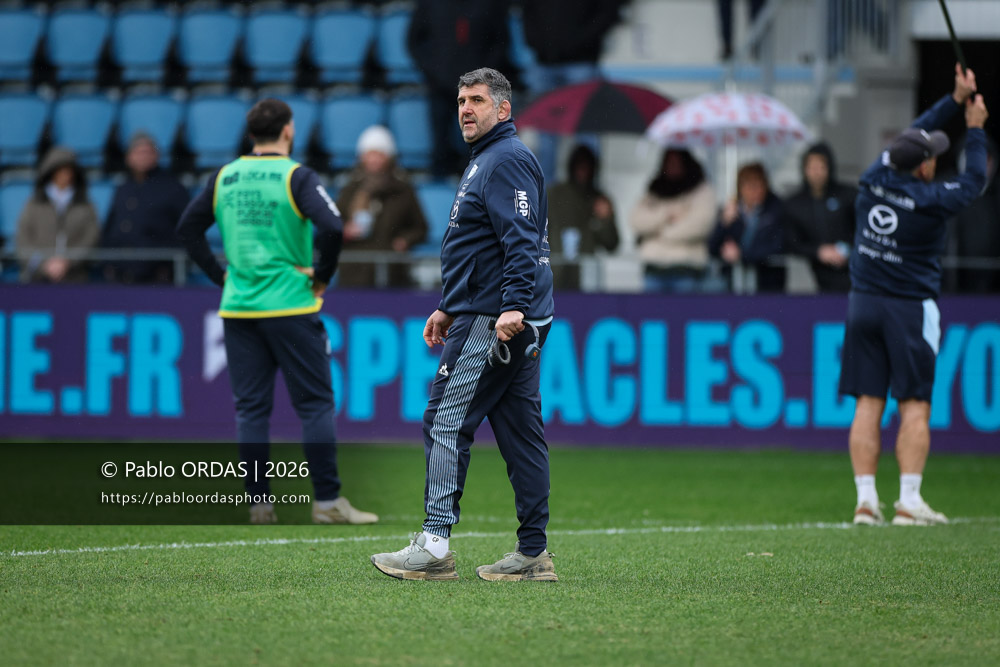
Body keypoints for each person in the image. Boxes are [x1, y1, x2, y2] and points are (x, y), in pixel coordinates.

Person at [371, 68, 557, 582]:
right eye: (459, 100)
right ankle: (533, 554)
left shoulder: (505, 160)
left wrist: (512, 306)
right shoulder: (491, 159)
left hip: (495, 318)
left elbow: (521, 239)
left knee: (445, 420)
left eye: (476, 100)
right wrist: (450, 304)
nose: (465, 109)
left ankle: (433, 547)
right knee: (521, 432)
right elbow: (484, 245)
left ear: (504, 109)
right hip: (483, 309)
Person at [176, 99, 377, 526]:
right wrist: (322, 275)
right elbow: (334, 226)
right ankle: (326, 502)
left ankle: (259, 505)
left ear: (252, 135)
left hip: (239, 308)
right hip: (290, 304)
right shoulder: (295, 176)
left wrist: (220, 276)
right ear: (288, 131)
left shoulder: (225, 176)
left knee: (250, 410)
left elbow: (187, 229)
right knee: (316, 404)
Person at [841, 64, 987, 526]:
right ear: (923, 165)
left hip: (862, 304)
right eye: (932, 158)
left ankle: (866, 501)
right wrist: (975, 129)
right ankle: (908, 499)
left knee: (868, 401)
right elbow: (974, 181)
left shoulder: (873, 178)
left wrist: (953, 97)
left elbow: (912, 134)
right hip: (908, 310)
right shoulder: (931, 200)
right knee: (914, 404)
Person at [521, 0, 626, 181]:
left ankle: (587, 197)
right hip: (544, 62)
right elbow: (527, 11)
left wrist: (581, 40)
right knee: (545, 140)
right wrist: (536, 41)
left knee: (587, 134)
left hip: (582, 62)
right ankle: (546, 201)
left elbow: (609, 11)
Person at [407, 0, 512, 179]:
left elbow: (501, 41)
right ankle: (439, 195)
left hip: (478, 89)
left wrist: (484, 76)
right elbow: (414, 41)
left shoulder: (489, 5)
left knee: (476, 147)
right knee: (440, 147)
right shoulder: (431, 4)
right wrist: (433, 71)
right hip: (439, 86)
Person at [336, 125, 428, 288]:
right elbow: (332, 226)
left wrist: (404, 241)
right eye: (369, 154)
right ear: (361, 157)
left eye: (379, 154)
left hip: (392, 272)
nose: (374, 160)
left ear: (389, 157)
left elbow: (421, 228)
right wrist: (346, 231)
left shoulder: (403, 190)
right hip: (353, 273)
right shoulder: (349, 189)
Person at [101, 133, 190, 284]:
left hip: (157, 277)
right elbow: (110, 227)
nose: (143, 157)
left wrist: (167, 267)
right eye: (138, 152)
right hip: (120, 276)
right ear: (128, 157)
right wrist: (108, 263)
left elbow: (187, 230)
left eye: (148, 152)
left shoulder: (173, 188)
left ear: (157, 156)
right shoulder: (122, 189)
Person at [630, 148, 717, 293]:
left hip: (686, 271)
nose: (672, 166)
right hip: (654, 270)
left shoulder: (702, 190)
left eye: (676, 162)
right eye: (669, 162)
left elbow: (699, 226)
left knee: (684, 313)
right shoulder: (655, 190)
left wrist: (659, 233)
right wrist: (666, 215)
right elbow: (636, 220)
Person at [15, 147, 99, 283]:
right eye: (59, 170)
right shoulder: (34, 203)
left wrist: (68, 261)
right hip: (38, 279)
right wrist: (44, 265)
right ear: (50, 172)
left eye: (68, 170)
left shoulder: (85, 204)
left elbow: (91, 237)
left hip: (75, 278)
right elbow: (23, 238)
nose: (64, 174)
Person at [784, 142, 857, 292]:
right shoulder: (795, 204)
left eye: (821, 167)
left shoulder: (848, 195)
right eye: (812, 167)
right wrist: (818, 251)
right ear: (804, 169)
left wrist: (846, 249)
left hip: (852, 272)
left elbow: (861, 230)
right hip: (813, 276)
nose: (817, 172)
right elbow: (791, 242)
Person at [546, 144, 619, 291]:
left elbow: (612, 243)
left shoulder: (599, 200)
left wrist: (605, 220)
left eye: (587, 167)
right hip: (555, 273)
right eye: (579, 166)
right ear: (572, 167)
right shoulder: (554, 194)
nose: (583, 172)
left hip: (586, 276)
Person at [709, 162, 786, 293]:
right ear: (740, 188)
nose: (754, 191)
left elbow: (778, 245)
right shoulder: (730, 210)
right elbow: (712, 248)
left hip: (767, 281)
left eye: (758, 185)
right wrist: (724, 223)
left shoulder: (776, 210)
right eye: (749, 186)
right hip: (734, 281)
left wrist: (742, 255)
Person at [951, 135, 1000, 293]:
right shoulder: (944, 192)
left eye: (985, 159)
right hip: (952, 288)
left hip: (992, 287)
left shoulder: (996, 196)